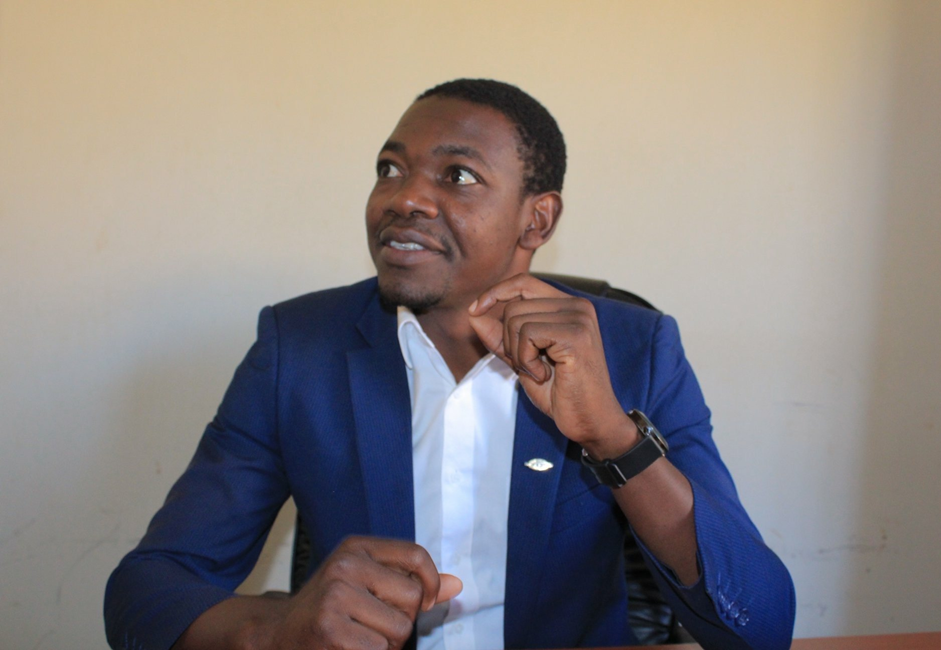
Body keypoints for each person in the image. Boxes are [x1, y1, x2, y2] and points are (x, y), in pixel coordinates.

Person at [105, 79, 795, 650]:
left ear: (536, 220)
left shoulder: (636, 349)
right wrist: (275, 628)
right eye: (389, 169)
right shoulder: (300, 348)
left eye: (458, 176)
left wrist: (614, 437)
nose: (402, 197)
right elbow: (145, 593)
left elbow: (759, 625)